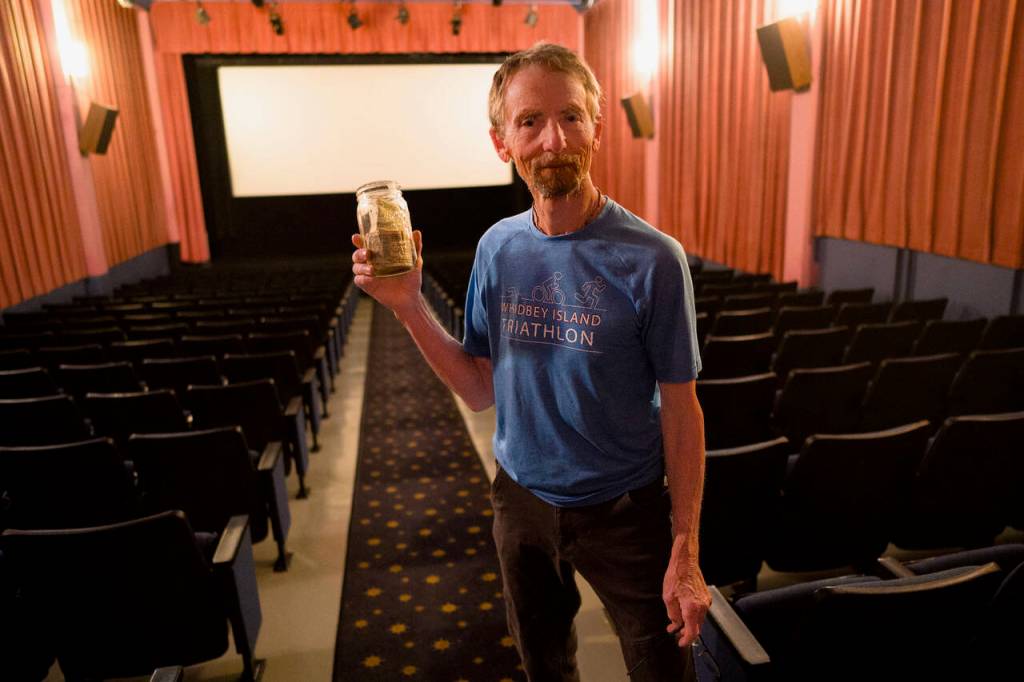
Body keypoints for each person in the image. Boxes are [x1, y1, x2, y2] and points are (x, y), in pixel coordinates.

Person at [352, 42, 710, 682]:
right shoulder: (497, 248)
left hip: (626, 512)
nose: (554, 139)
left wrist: (685, 548)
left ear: (596, 128)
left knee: (662, 671)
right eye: (530, 121)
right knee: (542, 663)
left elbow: (682, 410)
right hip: (520, 502)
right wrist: (407, 305)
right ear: (501, 143)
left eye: (572, 117)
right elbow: (480, 387)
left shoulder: (655, 259)